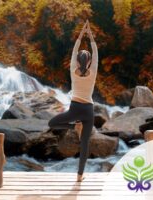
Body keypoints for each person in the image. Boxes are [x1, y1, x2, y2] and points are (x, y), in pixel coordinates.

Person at [48, 20, 98, 182]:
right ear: (89, 62)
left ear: (77, 61)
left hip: (75, 109)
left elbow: (74, 52)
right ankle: (79, 176)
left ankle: (73, 126)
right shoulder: (93, 72)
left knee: (52, 124)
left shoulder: (73, 71)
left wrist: (80, 35)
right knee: (85, 144)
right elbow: (95, 52)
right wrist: (90, 36)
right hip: (88, 111)